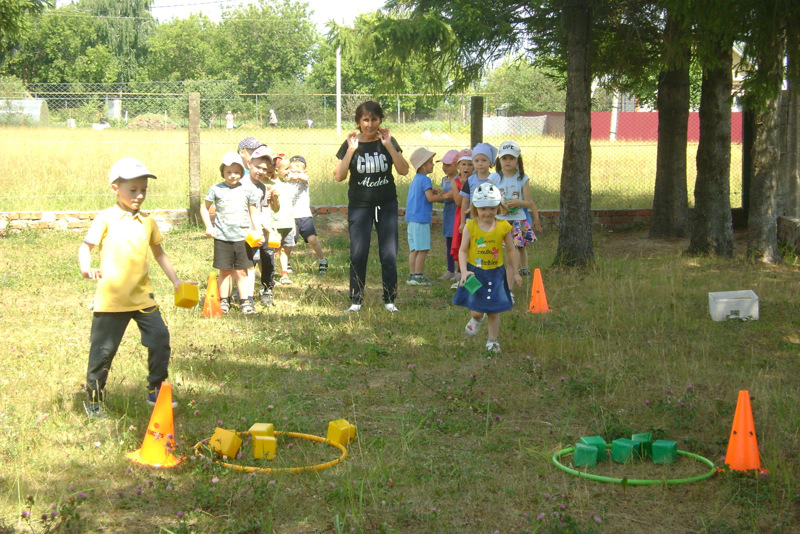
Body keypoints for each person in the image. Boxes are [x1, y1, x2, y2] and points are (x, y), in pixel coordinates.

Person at [78, 157, 191, 417]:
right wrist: (86, 268)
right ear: (115, 188)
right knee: (103, 353)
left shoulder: (148, 222)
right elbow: (86, 247)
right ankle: (94, 399)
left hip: (143, 298)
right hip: (112, 300)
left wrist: (176, 281)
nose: (139, 195)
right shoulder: (105, 218)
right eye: (133, 190)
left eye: (144, 190)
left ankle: (156, 388)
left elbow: (160, 253)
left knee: (160, 339)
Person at [334, 100, 409, 313]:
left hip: (386, 203)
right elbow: (339, 176)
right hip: (360, 205)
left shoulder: (388, 141)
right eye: (365, 120)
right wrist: (350, 151)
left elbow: (403, 170)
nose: (369, 124)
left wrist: (388, 146)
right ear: (358, 121)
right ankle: (356, 300)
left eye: (374, 119)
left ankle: (389, 299)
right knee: (358, 252)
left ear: (380, 120)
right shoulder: (350, 143)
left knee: (389, 253)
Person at [453, 182, 522, 353]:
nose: (487, 213)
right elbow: (462, 251)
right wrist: (463, 271)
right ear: (475, 208)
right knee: (476, 311)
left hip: (496, 275)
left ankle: (492, 341)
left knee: (494, 310)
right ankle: (476, 320)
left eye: (491, 208)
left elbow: (512, 251)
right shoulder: (470, 226)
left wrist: (516, 272)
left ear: (498, 207)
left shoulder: (503, 226)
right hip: (474, 274)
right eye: (483, 209)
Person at [200, 152, 261, 314]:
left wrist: (258, 230)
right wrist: (209, 226)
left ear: (242, 172)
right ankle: (224, 301)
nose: (232, 175)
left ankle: (245, 301)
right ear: (223, 172)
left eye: (236, 172)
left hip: (243, 238)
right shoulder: (216, 189)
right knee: (225, 271)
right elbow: (204, 207)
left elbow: (254, 212)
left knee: (242, 271)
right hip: (222, 238)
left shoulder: (248, 190)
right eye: (228, 172)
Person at [490, 140, 543, 276]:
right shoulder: (494, 178)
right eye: (504, 158)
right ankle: (496, 267)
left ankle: (522, 268)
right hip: (500, 219)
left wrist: (517, 202)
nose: (508, 161)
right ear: (499, 160)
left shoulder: (523, 178)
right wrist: (499, 205)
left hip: (517, 219)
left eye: (512, 158)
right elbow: (488, 198)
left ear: (518, 160)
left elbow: (528, 203)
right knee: (497, 246)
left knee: (519, 245)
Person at [405, 147, 446, 286]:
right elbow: (430, 198)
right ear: (422, 165)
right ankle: (418, 275)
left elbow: (422, 195)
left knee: (414, 249)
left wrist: (432, 192)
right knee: (423, 249)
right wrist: (444, 197)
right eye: (430, 162)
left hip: (412, 219)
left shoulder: (416, 179)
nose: (433, 164)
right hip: (421, 219)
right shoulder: (425, 180)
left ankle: (412, 276)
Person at [248, 145, 281, 306]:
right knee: (248, 261)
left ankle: (267, 289)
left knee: (267, 258)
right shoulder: (243, 183)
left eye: (267, 167)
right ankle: (243, 293)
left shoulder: (266, 186)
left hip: (266, 226)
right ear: (250, 164)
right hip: (248, 229)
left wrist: (273, 197)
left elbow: (273, 208)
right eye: (259, 167)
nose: (263, 171)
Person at [286, 155, 329, 273]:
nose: (294, 172)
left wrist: (295, 175)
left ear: (304, 171)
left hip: (304, 215)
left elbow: (303, 177)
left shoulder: (304, 180)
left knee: (312, 239)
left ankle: (322, 260)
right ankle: (286, 263)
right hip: (291, 217)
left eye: (298, 170)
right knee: (289, 241)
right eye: (291, 169)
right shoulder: (285, 182)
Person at [449, 150, 473, 288]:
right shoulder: (455, 182)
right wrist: (464, 186)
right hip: (462, 215)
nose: (467, 168)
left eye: (470, 164)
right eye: (463, 164)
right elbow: (458, 202)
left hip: (476, 215)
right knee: (461, 242)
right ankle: (461, 270)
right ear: (458, 166)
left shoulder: (475, 180)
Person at [270, 155, 296, 284]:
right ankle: (270, 274)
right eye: (286, 169)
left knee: (286, 249)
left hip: (288, 223)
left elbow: (290, 206)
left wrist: (293, 222)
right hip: (276, 224)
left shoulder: (288, 185)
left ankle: (284, 274)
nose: (289, 172)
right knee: (274, 250)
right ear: (276, 170)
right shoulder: (271, 185)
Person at [437, 149, 460, 281]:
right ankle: (450, 270)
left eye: (448, 165)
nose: (444, 168)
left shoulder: (459, 180)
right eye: (443, 164)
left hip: (456, 215)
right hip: (448, 215)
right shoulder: (444, 179)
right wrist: (441, 194)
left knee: (458, 243)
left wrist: (443, 196)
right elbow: (446, 196)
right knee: (449, 243)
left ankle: (460, 270)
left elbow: (453, 196)